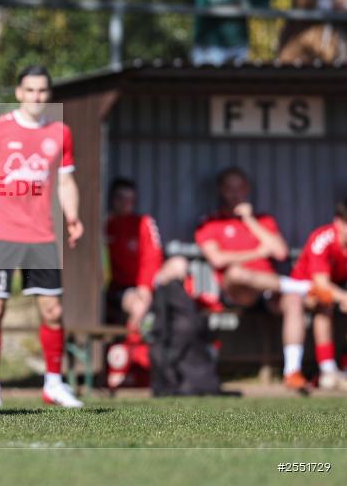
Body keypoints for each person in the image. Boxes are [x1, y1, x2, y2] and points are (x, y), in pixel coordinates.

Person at [0, 65, 84, 409]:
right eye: (30, 90)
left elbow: (66, 181)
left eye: (42, 91)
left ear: (49, 94)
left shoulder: (60, 132)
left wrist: (72, 216)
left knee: (53, 310)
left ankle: (54, 385)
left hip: (42, 238)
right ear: (18, 92)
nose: (36, 97)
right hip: (2, 237)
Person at [193, 167, 336, 393]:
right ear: (221, 190)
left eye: (239, 187)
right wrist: (258, 252)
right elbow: (218, 259)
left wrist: (249, 219)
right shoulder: (210, 222)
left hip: (269, 290)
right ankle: (305, 286)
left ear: (247, 189)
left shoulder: (263, 220)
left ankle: (292, 372)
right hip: (238, 292)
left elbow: (279, 251)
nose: (235, 193)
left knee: (294, 301)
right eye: (229, 188)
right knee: (237, 272)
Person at [285, 200, 347, 392]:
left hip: (336, 289)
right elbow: (321, 284)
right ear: (339, 222)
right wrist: (344, 297)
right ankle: (327, 369)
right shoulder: (323, 238)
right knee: (324, 300)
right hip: (302, 288)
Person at [104, 178, 163, 332]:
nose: (125, 203)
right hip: (114, 288)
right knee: (139, 306)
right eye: (121, 198)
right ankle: (129, 349)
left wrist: (145, 287)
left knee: (141, 305)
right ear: (112, 199)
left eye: (130, 199)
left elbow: (152, 258)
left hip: (141, 288)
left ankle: (130, 348)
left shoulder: (143, 223)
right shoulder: (104, 225)